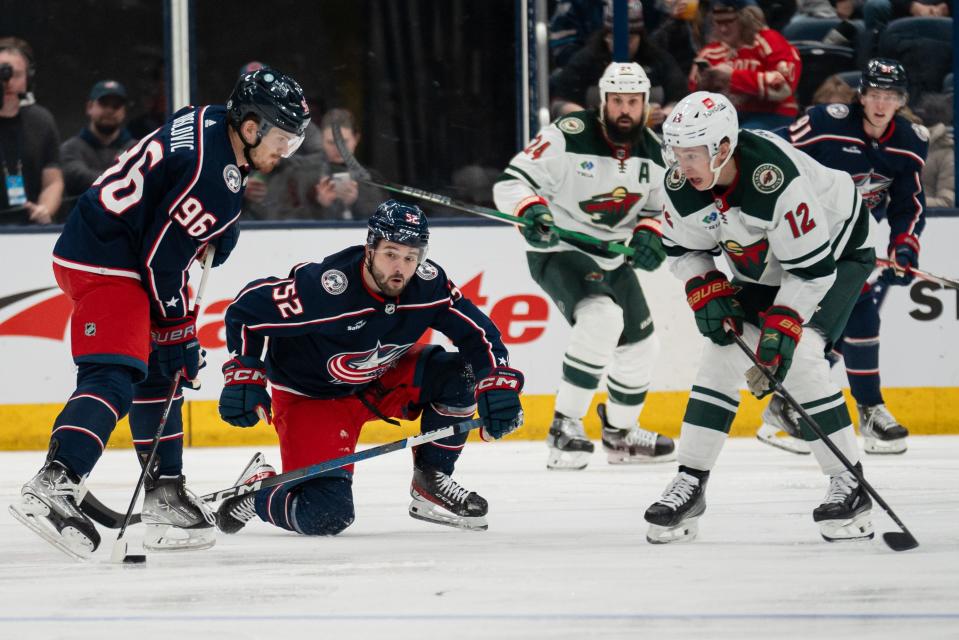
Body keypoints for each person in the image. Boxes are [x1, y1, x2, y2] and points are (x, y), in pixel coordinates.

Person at [10, 67, 311, 559]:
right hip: (108, 259)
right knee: (115, 373)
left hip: (111, 243)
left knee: (159, 369)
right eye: (282, 139)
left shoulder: (210, 118)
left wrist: (221, 219)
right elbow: (161, 262)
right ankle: (55, 481)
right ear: (252, 126)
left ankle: (164, 491)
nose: (284, 152)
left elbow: (169, 198)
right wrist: (181, 330)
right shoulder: (213, 178)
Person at [645, 91, 877, 544]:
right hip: (767, 263)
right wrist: (704, 286)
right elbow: (683, 249)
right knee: (720, 352)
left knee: (804, 351)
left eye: (691, 154)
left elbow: (810, 272)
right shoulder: (682, 182)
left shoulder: (776, 182)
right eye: (676, 152)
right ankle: (691, 482)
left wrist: (783, 327)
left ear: (724, 149)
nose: (680, 164)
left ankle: (850, 484)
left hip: (835, 255)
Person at [214, 200, 524, 536]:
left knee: (462, 374)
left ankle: (431, 479)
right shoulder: (324, 289)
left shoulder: (428, 285)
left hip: (379, 378)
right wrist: (245, 373)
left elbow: (478, 334)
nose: (400, 267)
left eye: (410, 256)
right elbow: (246, 310)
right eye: (391, 253)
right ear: (370, 247)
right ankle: (257, 491)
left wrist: (496, 383)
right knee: (326, 515)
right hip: (312, 399)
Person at [493, 62, 675, 471]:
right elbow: (511, 184)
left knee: (643, 347)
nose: (625, 110)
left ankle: (620, 435)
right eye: (617, 101)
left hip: (612, 255)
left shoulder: (655, 152)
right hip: (560, 249)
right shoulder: (567, 135)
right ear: (603, 101)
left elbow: (659, 209)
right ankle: (564, 426)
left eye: (633, 102)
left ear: (646, 105)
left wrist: (649, 234)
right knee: (601, 318)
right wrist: (533, 211)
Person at [768, 59, 928, 455]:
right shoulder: (826, 123)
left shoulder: (910, 142)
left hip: (849, 245)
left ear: (900, 101)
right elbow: (768, 147)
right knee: (845, 318)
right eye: (874, 94)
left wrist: (904, 245)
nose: (880, 103)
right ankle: (841, 408)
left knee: (850, 320)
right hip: (800, 237)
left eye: (889, 97)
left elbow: (908, 205)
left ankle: (789, 405)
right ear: (861, 96)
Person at [550, 0, 686, 128]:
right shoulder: (587, 59)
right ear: (606, 36)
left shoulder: (658, 59)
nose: (623, 44)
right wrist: (590, 119)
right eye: (613, 37)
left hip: (649, 135)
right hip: (596, 138)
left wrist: (664, 114)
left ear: (640, 37)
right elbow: (561, 102)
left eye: (631, 38)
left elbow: (680, 98)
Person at [689, 0, 801, 130]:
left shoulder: (770, 41)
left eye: (729, 22)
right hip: (726, 116)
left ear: (745, 19)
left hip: (772, 115)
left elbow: (784, 86)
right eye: (718, 23)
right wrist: (704, 84)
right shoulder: (709, 52)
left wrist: (733, 77)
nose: (723, 29)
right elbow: (693, 94)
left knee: (741, 139)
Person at [0, 37, 62, 224]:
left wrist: (45, 209)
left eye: (16, 75)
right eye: (2, 75)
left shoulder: (41, 121)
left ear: (29, 78)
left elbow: (53, 181)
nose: (8, 82)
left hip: (30, 230)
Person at [60, 80, 136, 198]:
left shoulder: (137, 149)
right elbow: (77, 179)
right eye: (104, 104)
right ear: (89, 107)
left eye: (116, 106)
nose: (110, 110)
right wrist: (122, 179)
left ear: (124, 111)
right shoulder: (70, 148)